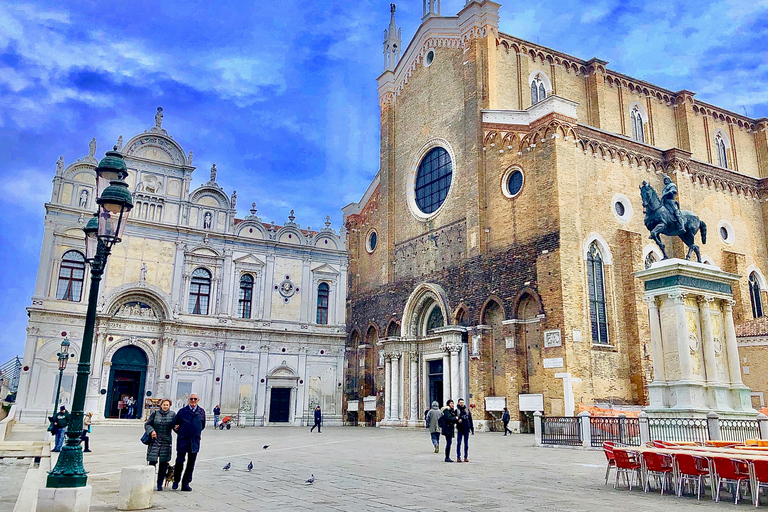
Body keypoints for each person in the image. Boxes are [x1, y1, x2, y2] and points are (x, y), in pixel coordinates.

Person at [171, 394, 206, 491]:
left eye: (195, 399)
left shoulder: (201, 412)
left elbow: (202, 426)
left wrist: (195, 433)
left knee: (191, 463)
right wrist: (181, 432)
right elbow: (174, 424)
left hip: (194, 441)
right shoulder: (182, 412)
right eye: (191, 399)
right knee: (179, 462)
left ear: (198, 400)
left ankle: (186, 483)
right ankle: (176, 480)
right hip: (183, 440)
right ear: (188, 400)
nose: (193, 400)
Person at [146, 399, 176, 491]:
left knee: (163, 464)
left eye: (167, 405)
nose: (165, 406)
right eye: (164, 404)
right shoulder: (155, 414)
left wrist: (178, 428)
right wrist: (151, 431)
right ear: (161, 405)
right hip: (155, 440)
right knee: (152, 463)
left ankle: (160, 484)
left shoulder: (173, 415)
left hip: (166, 441)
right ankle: (149, 483)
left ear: (169, 406)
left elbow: (175, 426)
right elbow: (147, 424)